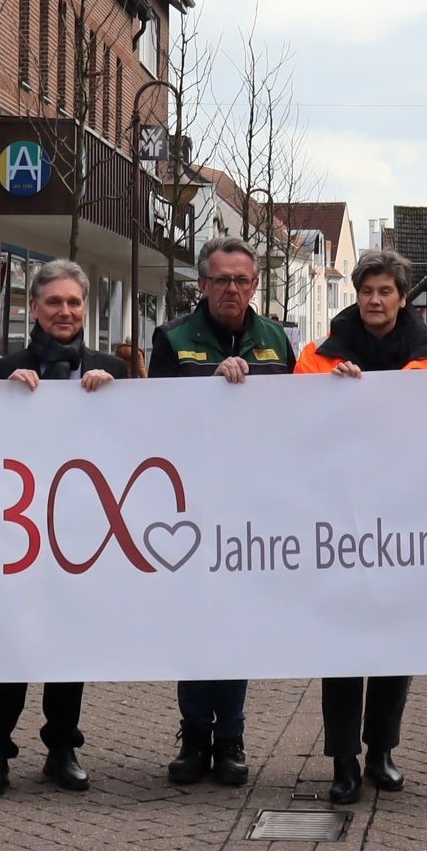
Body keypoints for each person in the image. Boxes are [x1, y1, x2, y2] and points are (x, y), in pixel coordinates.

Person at [294, 247, 427, 804]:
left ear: (402, 298)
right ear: (356, 296)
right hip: (337, 519)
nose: (375, 300)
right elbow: (293, 424)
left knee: (394, 640)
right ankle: (343, 759)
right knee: (342, 645)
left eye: (385, 291)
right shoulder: (317, 357)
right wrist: (327, 393)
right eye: (367, 291)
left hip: (404, 519)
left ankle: (382, 750)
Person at [0, 260, 127, 798]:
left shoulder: (112, 371)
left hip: (82, 530)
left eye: (75, 303)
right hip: (20, 529)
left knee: (69, 638)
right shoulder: (3, 371)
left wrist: (114, 398)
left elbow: (133, 444)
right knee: (11, 639)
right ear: (34, 308)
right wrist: (6, 398)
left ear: (85, 309)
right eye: (54, 303)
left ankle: (62, 747)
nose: (65, 312)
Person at [147, 236, 296, 787]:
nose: (232, 289)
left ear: (255, 285)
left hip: (252, 511)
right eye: (221, 280)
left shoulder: (277, 340)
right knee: (194, 625)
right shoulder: (173, 339)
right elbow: (153, 422)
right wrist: (207, 392)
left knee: (237, 627)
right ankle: (194, 737)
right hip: (189, 509)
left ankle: (231, 738)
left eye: (242, 280)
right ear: (203, 285)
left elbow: (298, 423)